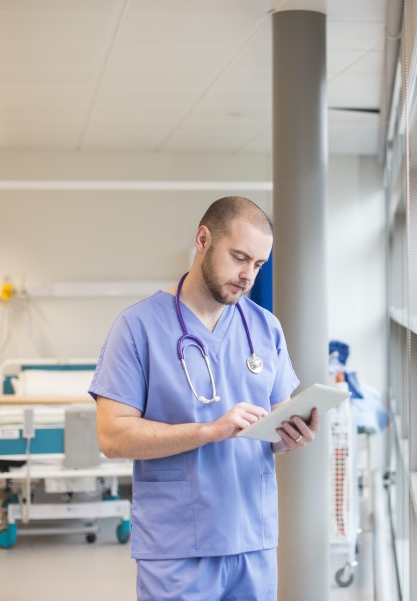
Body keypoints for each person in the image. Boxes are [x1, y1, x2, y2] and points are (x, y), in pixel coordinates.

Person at [90, 195, 319, 601]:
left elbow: (275, 419)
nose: (248, 275)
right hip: (178, 545)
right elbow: (112, 437)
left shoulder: (265, 328)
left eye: (258, 264)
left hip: (252, 539)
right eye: (239, 258)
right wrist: (210, 431)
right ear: (202, 240)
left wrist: (291, 435)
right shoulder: (138, 327)